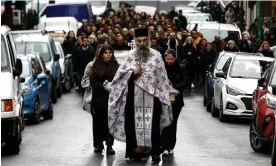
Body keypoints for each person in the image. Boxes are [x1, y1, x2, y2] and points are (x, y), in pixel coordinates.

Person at [104, 28, 174, 163]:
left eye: (144, 40)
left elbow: (162, 77)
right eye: (139, 41)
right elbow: (120, 77)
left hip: (153, 98)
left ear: (148, 40)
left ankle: (154, 154)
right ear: (135, 41)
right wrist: (133, 73)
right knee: (132, 126)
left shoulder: (157, 56)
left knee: (153, 127)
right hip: (133, 98)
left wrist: (164, 94)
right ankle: (134, 153)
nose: (142, 43)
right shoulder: (129, 56)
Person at [89, 44, 119, 155]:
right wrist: (103, 86)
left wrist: (113, 87)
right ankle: (98, 144)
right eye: (106, 53)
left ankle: (110, 145)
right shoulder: (96, 66)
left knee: (110, 123)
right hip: (99, 99)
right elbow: (92, 82)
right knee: (98, 123)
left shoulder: (116, 66)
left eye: (110, 53)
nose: (108, 55)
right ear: (102, 55)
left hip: (112, 99)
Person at [161, 49, 189, 156]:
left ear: (175, 58)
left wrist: (175, 88)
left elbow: (186, 81)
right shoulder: (162, 68)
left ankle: (170, 146)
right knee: (164, 123)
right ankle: (163, 145)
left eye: (171, 59)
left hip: (176, 100)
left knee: (172, 123)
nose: (169, 61)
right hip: (163, 99)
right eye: (167, 59)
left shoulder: (181, 68)